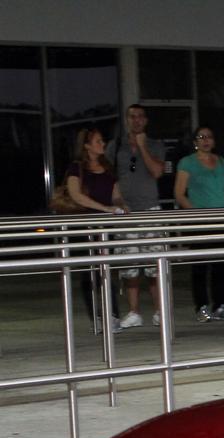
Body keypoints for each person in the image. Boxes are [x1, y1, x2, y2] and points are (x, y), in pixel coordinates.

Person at [107, 104, 166, 328]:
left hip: (150, 210)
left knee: (154, 265)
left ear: (146, 120)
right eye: (132, 116)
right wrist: (117, 201)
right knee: (130, 266)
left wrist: (142, 147)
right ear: (126, 119)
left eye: (140, 116)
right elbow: (111, 177)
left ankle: (159, 311)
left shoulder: (155, 145)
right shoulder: (116, 146)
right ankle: (134, 312)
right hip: (127, 213)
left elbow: (157, 172)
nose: (136, 120)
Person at [65, 127, 127, 332]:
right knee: (90, 273)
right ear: (87, 146)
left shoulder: (107, 166)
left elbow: (115, 193)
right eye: (98, 141)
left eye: (102, 140)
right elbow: (76, 195)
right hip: (85, 227)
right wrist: (104, 208)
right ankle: (97, 316)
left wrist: (120, 205)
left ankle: (113, 313)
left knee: (108, 271)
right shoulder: (77, 168)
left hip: (105, 226)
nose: (102, 144)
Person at [176, 126, 224, 322]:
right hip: (200, 220)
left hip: (220, 220)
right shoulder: (187, 163)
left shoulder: (221, 161)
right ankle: (201, 306)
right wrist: (195, 213)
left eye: (209, 137)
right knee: (200, 266)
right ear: (195, 142)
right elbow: (179, 193)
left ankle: (220, 305)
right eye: (201, 137)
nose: (206, 140)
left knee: (220, 266)